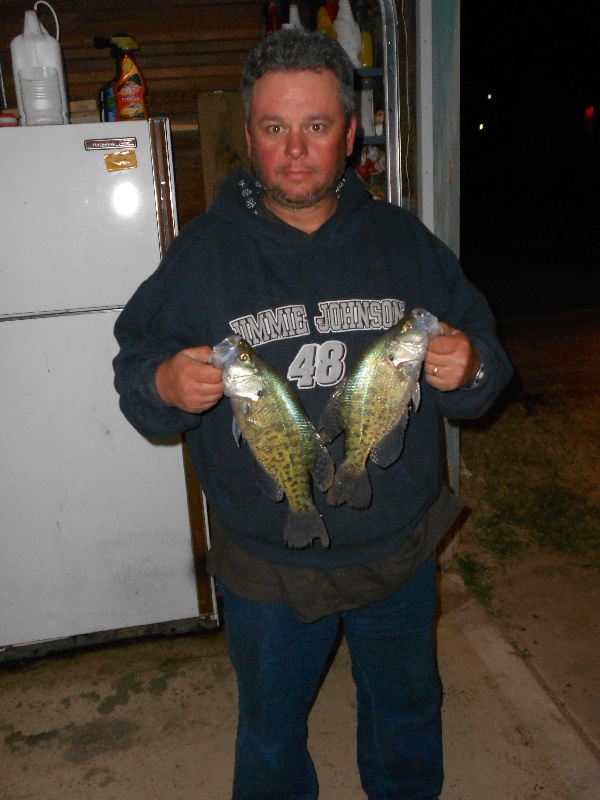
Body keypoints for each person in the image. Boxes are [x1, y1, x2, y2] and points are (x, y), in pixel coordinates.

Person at [113, 28, 513, 800]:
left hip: (395, 551)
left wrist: (473, 366)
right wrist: (163, 384)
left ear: (349, 134)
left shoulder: (405, 243)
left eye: (317, 126)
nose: (295, 151)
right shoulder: (200, 255)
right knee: (270, 738)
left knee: (406, 720)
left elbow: (487, 366)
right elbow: (136, 371)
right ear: (249, 135)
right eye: (274, 128)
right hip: (266, 565)